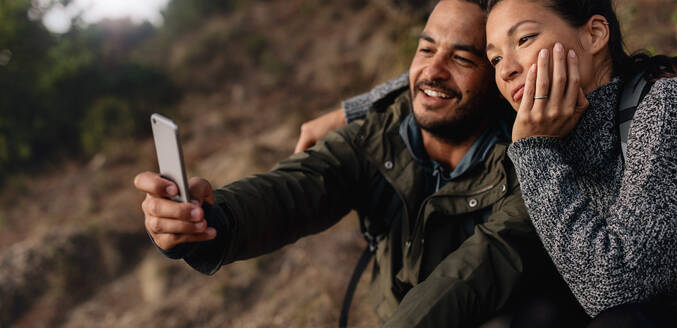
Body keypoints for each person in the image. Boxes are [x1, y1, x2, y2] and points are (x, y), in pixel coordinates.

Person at [134, 0, 584, 326]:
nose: (433, 71)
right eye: (426, 50)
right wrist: (208, 221)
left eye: (463, 58)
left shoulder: (533, 156)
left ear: (501, 74)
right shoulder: (376, 136)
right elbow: (293, 190)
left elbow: (480, 268)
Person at [483, 0, 677, 326]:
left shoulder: (665, 104)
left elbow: (617, 288)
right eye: (496, 58)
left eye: (524, 39)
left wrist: (534, 151)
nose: (506, 69)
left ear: (595, 34)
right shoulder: (555, 139)